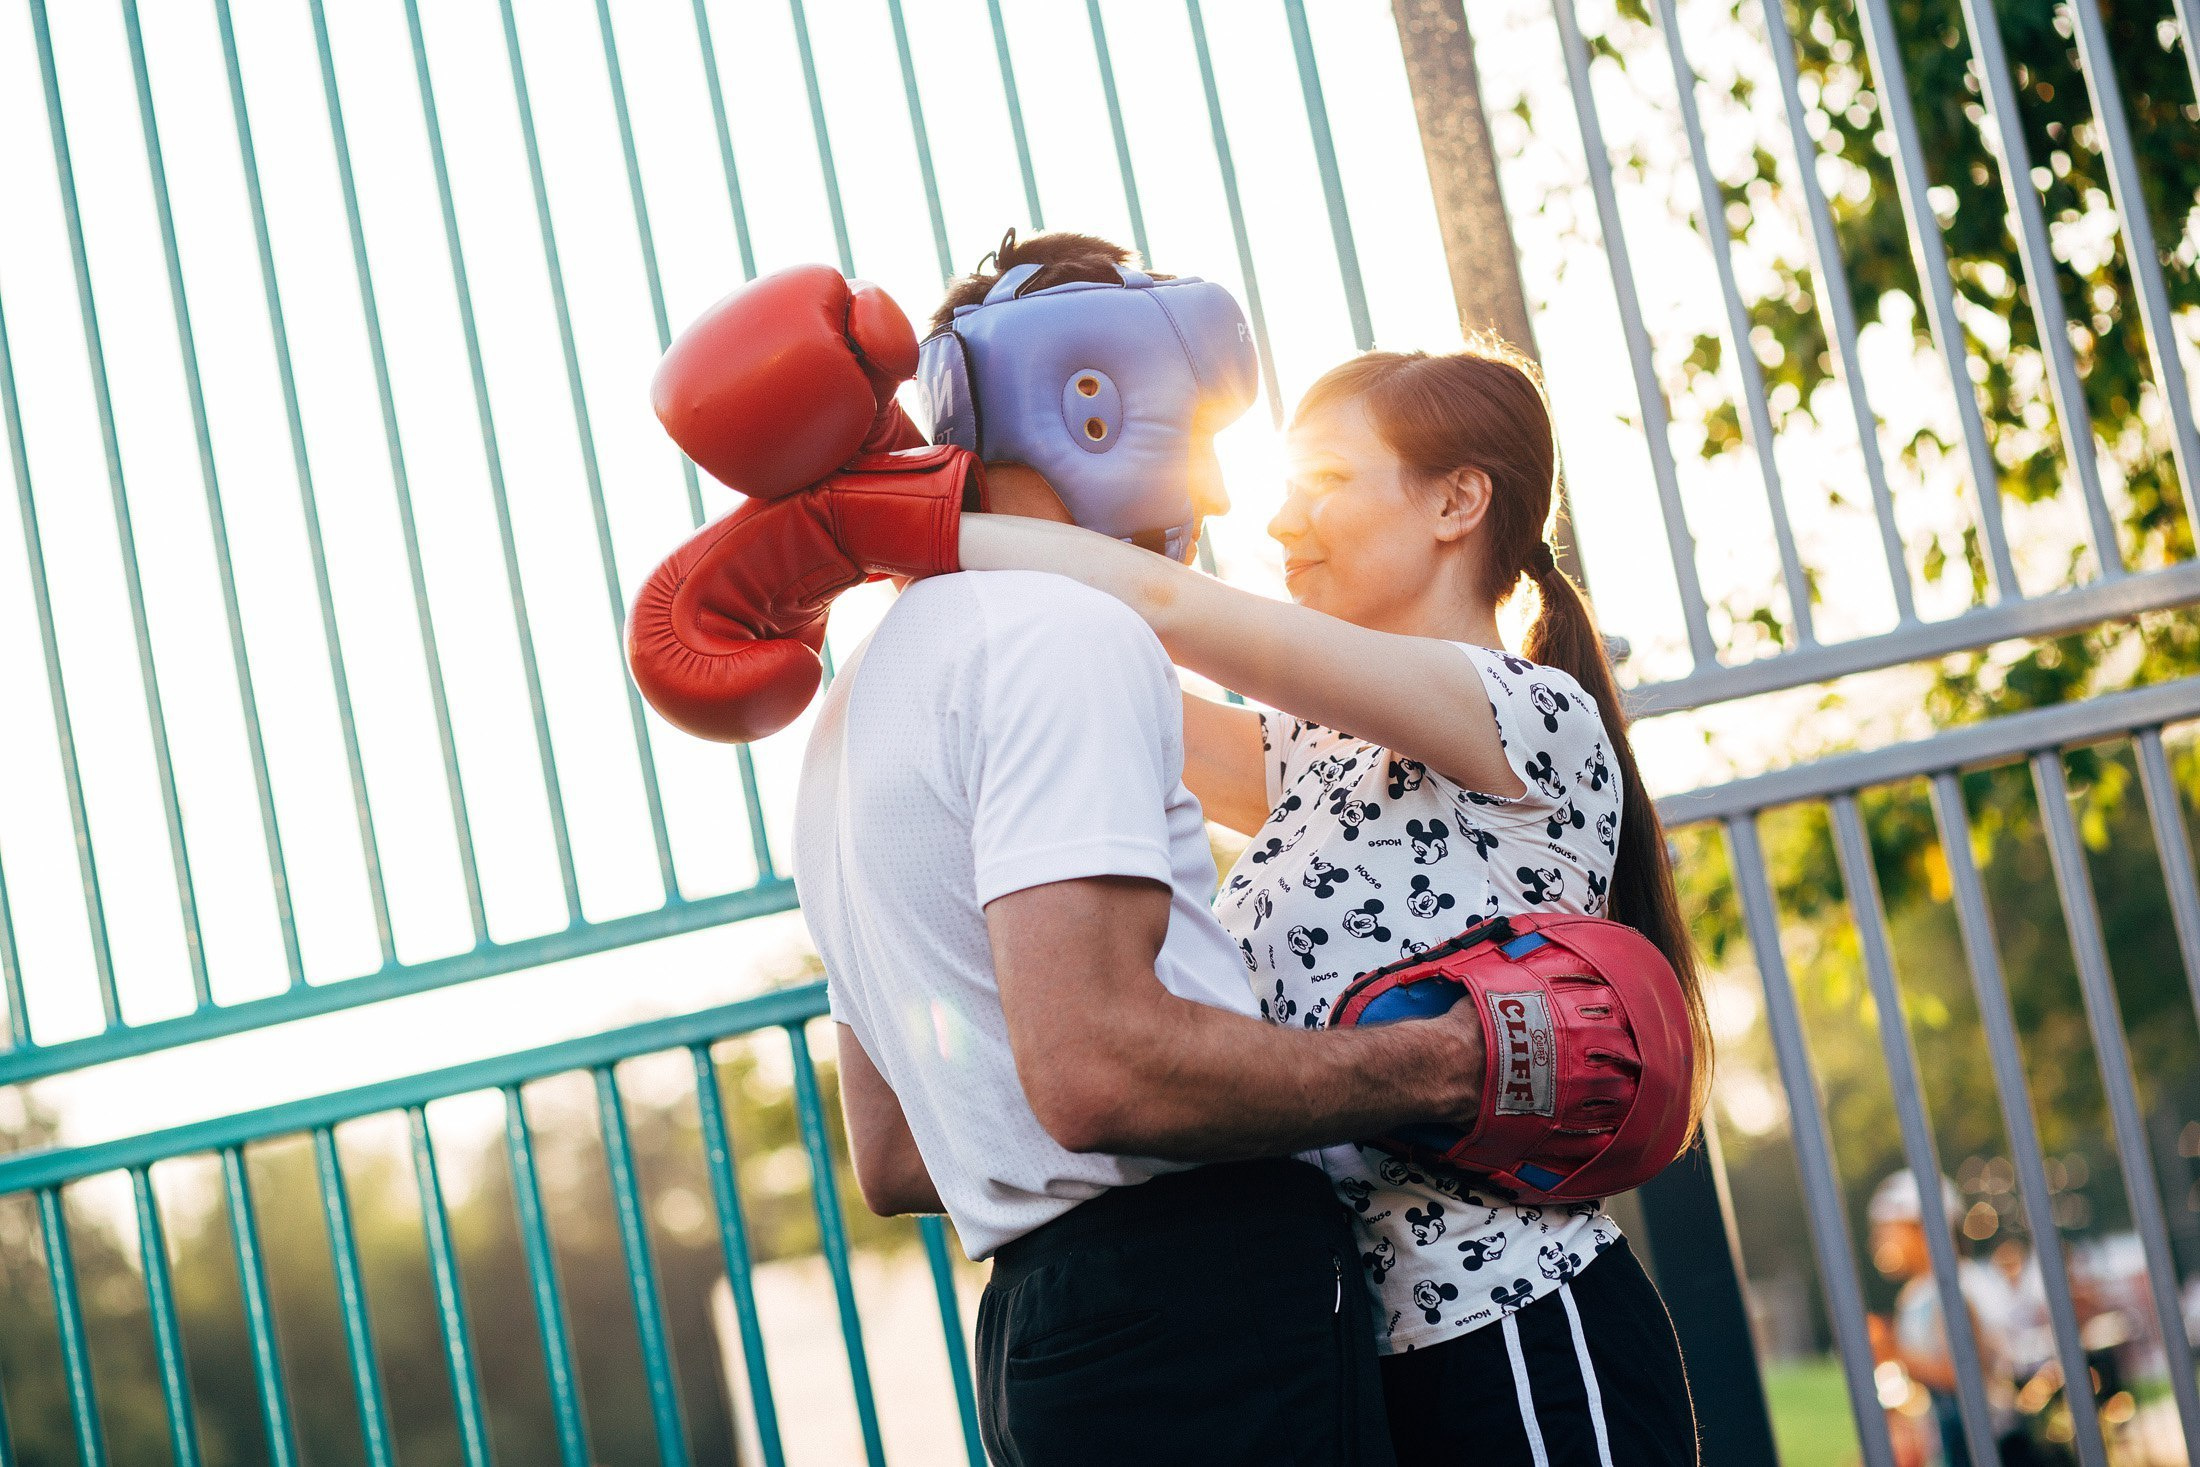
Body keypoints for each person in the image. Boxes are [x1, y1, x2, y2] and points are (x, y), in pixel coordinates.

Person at [948, 312, 1710, 1462]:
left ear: (1456, 504)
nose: (1276, 518)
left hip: (1518, 1340)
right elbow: (1101, 666)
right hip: (1356, 1364)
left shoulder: (1524, 713)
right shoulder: (1313, 756)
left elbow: (1164, 615)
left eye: (1326, 481)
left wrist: (906, 524)